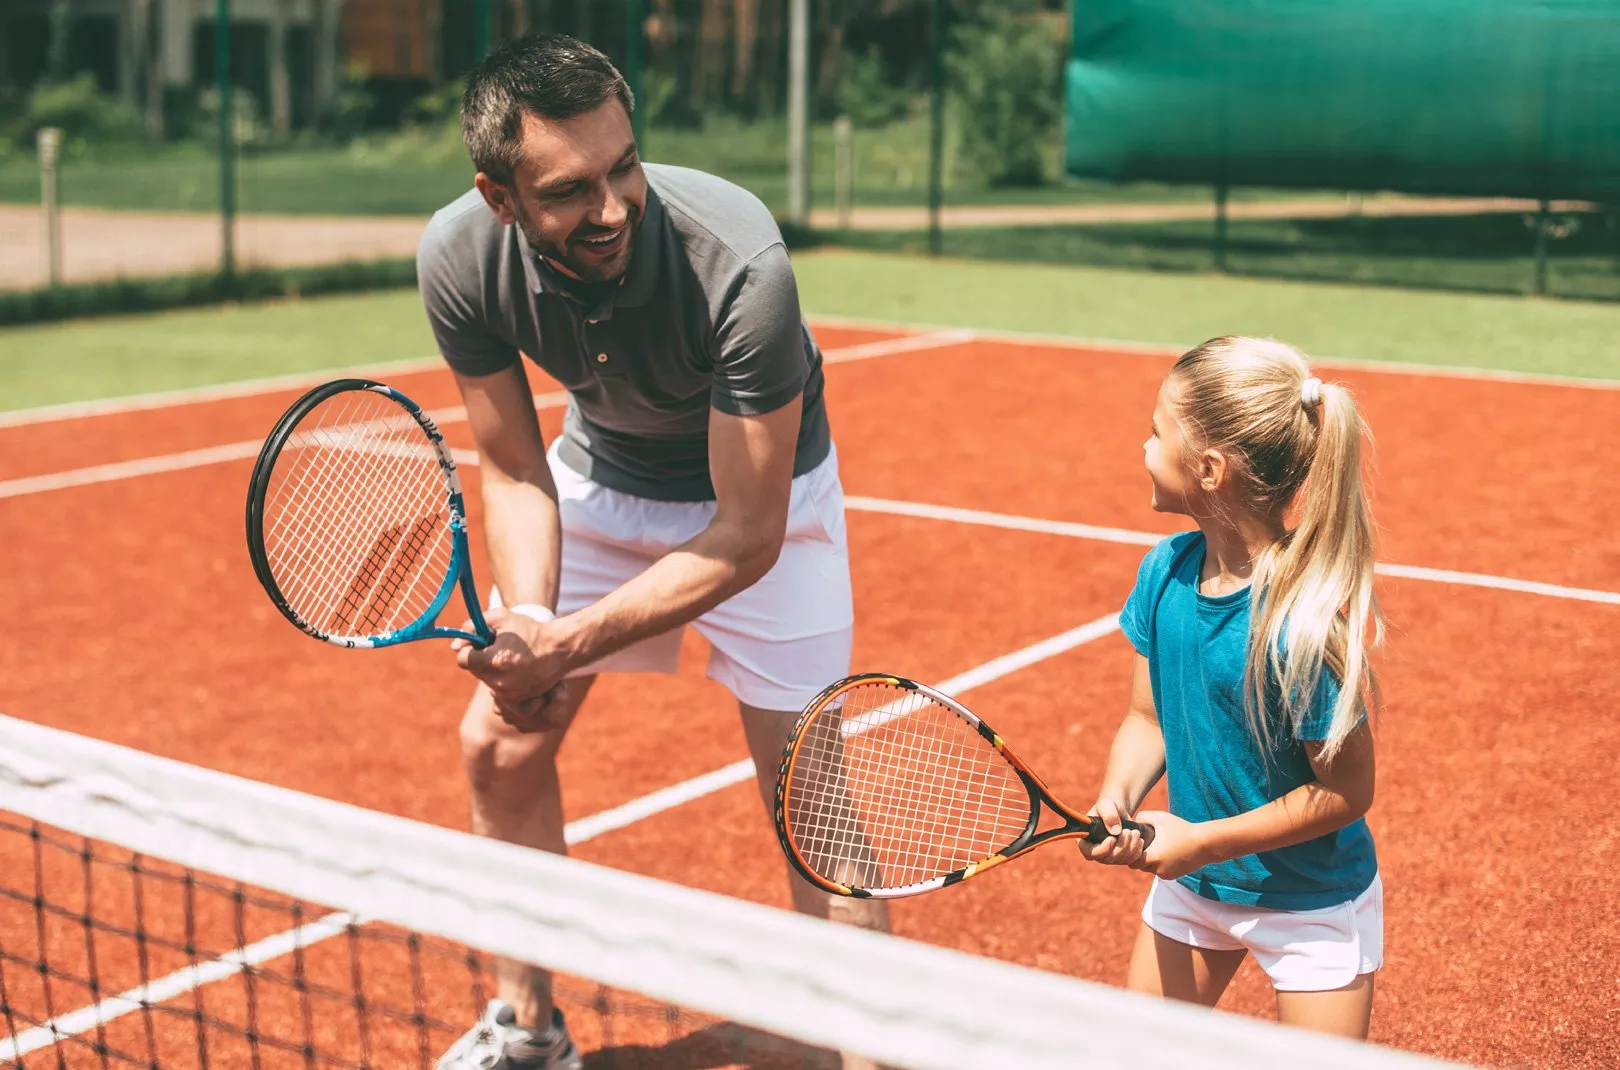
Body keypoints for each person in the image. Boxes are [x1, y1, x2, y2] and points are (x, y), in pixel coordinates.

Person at [415, 32, 889, 1070]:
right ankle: (528, 1026)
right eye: (573, 188)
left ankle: (863, 1047)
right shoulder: (457, 255)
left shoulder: (740, 257)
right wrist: (533, 619)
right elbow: (511, 469)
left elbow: (746, 531)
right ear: (502, 199)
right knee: (498, 744)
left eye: (624, 165)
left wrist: (572, 634)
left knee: (811, 796)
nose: (615, 204)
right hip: (599, 478)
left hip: (769, 501)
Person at [1080, 336, 1384, 1039]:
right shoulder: (1164, 571)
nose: (1142, 447)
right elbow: (1146, 720)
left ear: (1208, 469)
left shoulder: (1298, 627)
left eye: (1157, 433)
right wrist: (1117, 798)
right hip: (1196, 885)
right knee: (1127, 1053)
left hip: (1312, 902)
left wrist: (1202, 842)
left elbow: (1345, 791)